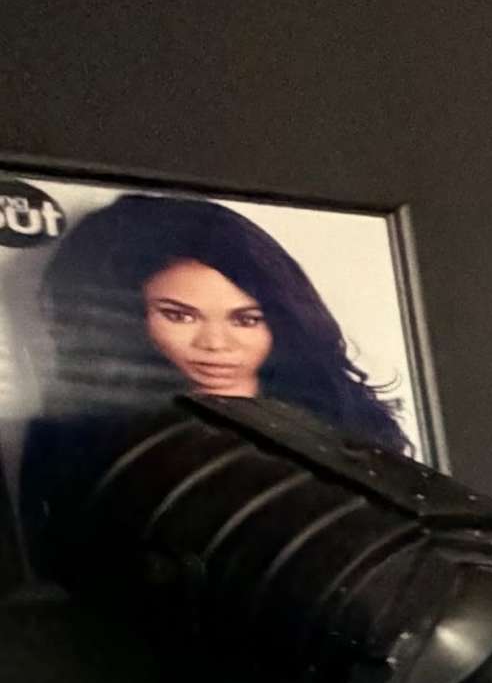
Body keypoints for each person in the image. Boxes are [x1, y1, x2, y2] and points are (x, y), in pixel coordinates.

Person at [14, 194, 411, 555]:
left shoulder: (336, 427)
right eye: (179, 315)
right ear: (128, 321)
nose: (216, 344)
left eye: (247, 319)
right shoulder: (88, 445)